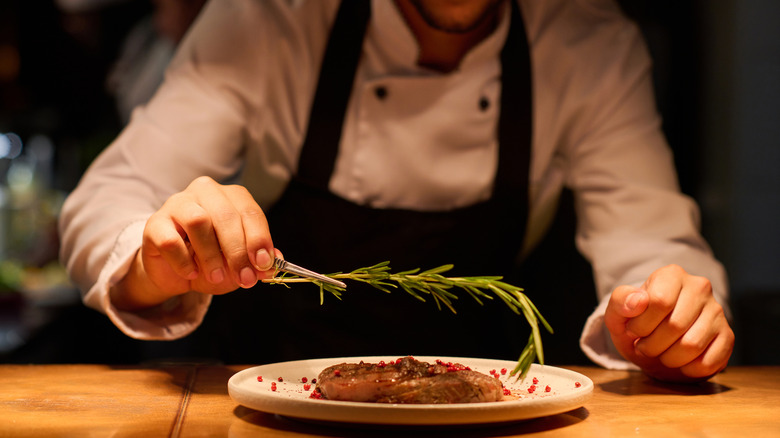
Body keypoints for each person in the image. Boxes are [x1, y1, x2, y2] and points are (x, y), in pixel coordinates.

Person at [59, 0, 734, 382]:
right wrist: (159, 258)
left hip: (496, 417)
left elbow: (651, 240)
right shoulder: (269, 20)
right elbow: (110, 198)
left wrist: (667, 318)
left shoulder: (589, 44)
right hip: (277, 412)